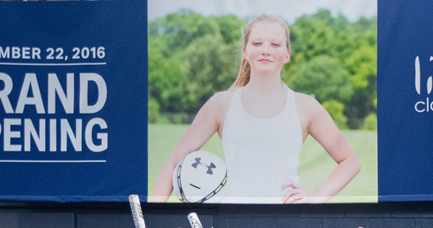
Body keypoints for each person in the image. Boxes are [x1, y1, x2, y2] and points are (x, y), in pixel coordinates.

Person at [152, 14, 360, 204]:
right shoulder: (220, 104)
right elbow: (173, 163)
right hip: (231, 223)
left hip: (286, 221)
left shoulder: (305, 106)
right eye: (257, 43)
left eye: (275, 44)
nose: (266, 50)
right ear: (245, 51)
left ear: (287, 54)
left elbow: (350, 161)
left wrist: (316, 197)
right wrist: (152, 219)